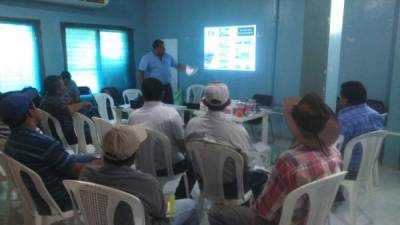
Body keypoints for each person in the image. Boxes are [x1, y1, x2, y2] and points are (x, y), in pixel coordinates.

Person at [208, 93, 343, 225]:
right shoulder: (334, 153)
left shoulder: (289, 160)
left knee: (214, 213)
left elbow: (263, 213)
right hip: (315, 220)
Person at [0, 90, 99, 214]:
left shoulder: (10, 143)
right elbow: (76, 171)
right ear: (30, 112)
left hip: (36, 197)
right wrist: (101, 165)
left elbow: (63, 161)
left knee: (89, 159)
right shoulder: (44, 144)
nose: (37, 107)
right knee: (107, 176)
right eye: (34, 105)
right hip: (60, 201)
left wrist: (92, 160)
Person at [80, 125, 198, 225]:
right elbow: (163, 213)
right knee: (189, 204)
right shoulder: (146, 183)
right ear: (135, 155)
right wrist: (169, 201)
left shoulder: (86, 173)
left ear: (103, 149)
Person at [185, 82, 267, 199]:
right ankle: (251, 209)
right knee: (262, 174)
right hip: (232, 189)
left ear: (204, 102)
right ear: (229, 102)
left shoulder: (192, 124)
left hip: (204, 183)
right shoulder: (237, 129)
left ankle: (172, 209)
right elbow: (249, 163)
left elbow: (189, 154)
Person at [128, 77, 195, 199]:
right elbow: (182, 146)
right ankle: (179, 200)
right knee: (194, 162)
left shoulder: (133, 116)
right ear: (163, 93)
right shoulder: (171, 114)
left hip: (143, 167)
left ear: (142, 94)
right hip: (169, 168)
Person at [338, 81, 384, 179]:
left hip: (348, 171)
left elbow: (335, 147)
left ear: (345, 100)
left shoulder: (344, 119)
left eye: (340, 97)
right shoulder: (376, 115)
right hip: (367, 166)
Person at [40, 75, 92, 145]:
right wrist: (82, 104)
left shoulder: (44, 100)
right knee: (92, 130)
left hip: (52, 134)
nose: (65, 87)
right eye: (63, 85)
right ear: (58, 90)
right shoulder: (56, 102)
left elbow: (65, 108)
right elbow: (68, 109)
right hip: (65, 135)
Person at [138, 39, 187, 104]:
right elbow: (141, 72)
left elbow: (177, 65)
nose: (164, 49)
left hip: (167, 86)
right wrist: (143, 87)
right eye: (162, 48)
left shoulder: (167, 56)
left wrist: (187, 69)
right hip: (154, 87)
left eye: (164, 48)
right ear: (156, 48)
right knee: (155, 106)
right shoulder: (146, 58)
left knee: (170, 105)